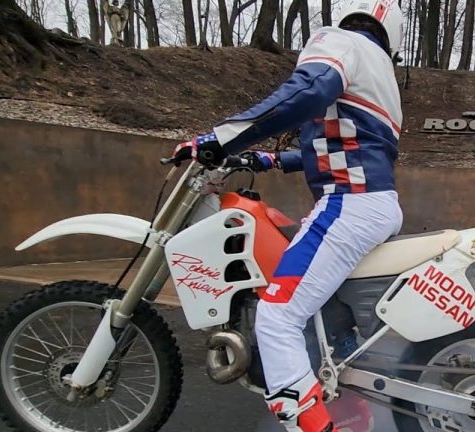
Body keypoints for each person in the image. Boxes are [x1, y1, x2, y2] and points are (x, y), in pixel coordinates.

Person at [171, 1, 405, 430]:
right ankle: (351, 409)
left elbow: (306, 92)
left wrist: (219, 139)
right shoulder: (383, 75)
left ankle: (309, 423)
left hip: (347, 204)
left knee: (277, 316)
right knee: (328, 326)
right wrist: (272, 160)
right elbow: (349, 143)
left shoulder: (341, 42)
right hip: (373, 203)